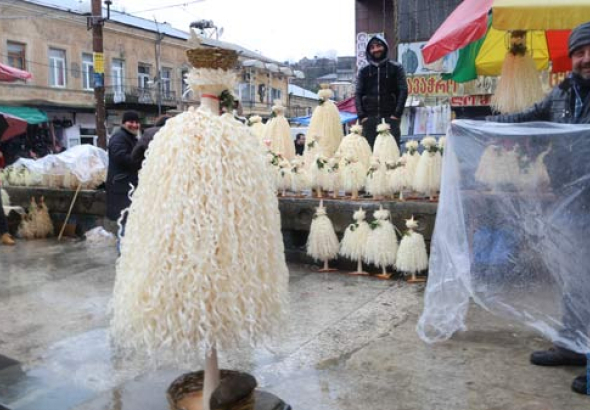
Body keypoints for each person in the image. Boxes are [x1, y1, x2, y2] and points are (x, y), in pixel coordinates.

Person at [488, 21, 590, 395]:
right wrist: (478, 125)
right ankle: (574, 344)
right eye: (579, 52)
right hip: (571, 199)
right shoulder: (563, 93)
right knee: (574, 274)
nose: (585, 58)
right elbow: (527, 116)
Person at [355, 34, 408, 149]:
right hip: (369, 119)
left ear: (385, 47)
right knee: (369, 154)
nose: (376, 49)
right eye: (372, 47)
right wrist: (362, 117)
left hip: (390, 118)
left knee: (391, 154)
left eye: (379, 46)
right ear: (369, 51)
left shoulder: (396, 67)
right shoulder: (363, 71)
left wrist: (396, 115)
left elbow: (403, 91)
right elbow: (358, 94)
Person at [106, 111, 141, 225]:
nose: (134, 125)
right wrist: (142, 161)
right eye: (131, 122)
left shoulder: (130, 137)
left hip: (126, 186)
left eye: (136, 122)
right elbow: (121, 158)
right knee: (124, 224)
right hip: (121, 188)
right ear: (123, 123)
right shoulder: (119, 137)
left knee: (129, 223)